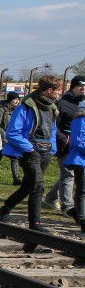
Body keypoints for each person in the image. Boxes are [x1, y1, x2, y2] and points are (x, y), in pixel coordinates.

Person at [0, 75, 62, 230]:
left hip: (46, 151)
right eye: (58, 90)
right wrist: (30, 149)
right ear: (49, 90)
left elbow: (52, 131)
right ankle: (35, 224)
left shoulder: (52, 108)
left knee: (28, 186)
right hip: (30, 152)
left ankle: (6, 208)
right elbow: (13, 132)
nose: (60, 93)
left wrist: (52, 149)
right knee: (38, 186)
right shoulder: (26, 107)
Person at [45, 76, 85, 214]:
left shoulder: (83, 102)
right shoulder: (62, 103)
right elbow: (55, 125)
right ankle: (68, 206)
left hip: (80, 144)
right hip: (65, 143)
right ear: (72, 87)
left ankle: (51, 197)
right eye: (80, 85)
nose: (83, 88)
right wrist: (63, 139)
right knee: (68, 174)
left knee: (71, 173)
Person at [60, 104, 85, 231]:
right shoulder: (80, 120)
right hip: (81, 160)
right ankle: (81, 218)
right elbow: (79, 142)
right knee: (82, 190)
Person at [0, 92, 22, 185]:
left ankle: (16, 178)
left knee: (15, 157)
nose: (16, 101)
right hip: (2, 138)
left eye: (18, 99)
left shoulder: (17, 110)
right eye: (14, 99)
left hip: (13, 138)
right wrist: (4, 135)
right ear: (10, 100)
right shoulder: (1, 110)